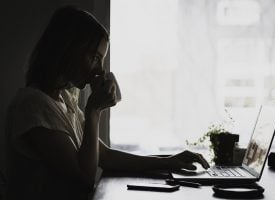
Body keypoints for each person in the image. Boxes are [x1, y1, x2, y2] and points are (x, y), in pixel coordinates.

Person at [4, 5, 209, 200]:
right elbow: (84, 178)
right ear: (68, 49)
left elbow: (104, 155)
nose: (100, 70)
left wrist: (168, 162)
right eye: (94, 57)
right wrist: (93, 111)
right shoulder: (32, 105)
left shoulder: (64, 100)